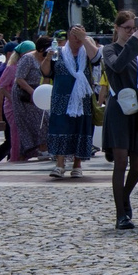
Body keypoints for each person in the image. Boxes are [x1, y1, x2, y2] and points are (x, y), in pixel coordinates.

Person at [99, 11, 138, 229]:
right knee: (121, 161)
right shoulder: (109, 50)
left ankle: (124, 197)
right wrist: (132, 43)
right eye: (127, 28)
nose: (131, 32)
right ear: (117, 28)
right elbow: (117, 66)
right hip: (118, 111)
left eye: (134, 28)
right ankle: (120, 214)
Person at [47, 24, 97, 181]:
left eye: (80, 34)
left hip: (82, 100)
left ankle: (77, 165)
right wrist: (48, 57)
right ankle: (60, 164)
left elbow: (96, 58)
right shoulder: (59, 52)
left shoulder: (87, 51)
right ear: (68, 35)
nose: (77, 38)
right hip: (61, 98)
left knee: (80, 128)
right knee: (60, 127)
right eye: (74, 34)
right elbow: (46, 72)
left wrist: (85, 39)